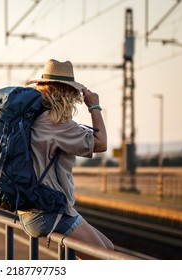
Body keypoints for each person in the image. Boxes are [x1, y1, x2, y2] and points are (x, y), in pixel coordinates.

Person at [18, 59, 114, 250]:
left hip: (29, 209)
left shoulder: (33, 117)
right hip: (48, 212)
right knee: (105, 257)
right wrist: (94, 106)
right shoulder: (56, 123)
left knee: (108, 248)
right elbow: (101, 143)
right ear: (67, 92)